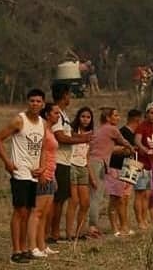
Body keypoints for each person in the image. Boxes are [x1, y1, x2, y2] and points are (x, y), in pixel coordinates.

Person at [0, 88, 46, 265]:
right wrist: (7, 162)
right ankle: (16, 250)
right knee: (19, 211)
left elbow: (43, 147)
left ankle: (24, 248)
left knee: (28, 212)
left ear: (43, 103)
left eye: (38, 101)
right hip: (20, 172)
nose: (35, 104)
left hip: (34, 174)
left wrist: (42, 166)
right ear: (27, 102)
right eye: (32, 101)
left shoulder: (43, 124)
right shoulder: (19, 120)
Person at [48, 83, 91, 243]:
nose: (70, 98)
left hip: (65, 162)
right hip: (58, 161)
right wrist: (80, 139)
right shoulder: (56, 113)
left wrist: (83, 137)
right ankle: (52, 233)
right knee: (57, 200)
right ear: (64, 95)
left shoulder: (64, 115)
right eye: (69, 95)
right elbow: (60, 137)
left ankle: (55, 232)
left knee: (61, 200)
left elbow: (69, 134)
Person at [88, 107, 134, 237]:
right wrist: (131, 148)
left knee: (97, 196)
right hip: (99, 163)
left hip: (97, 162)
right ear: (108, 118)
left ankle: (93, 226)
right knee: (96, 196)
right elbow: (123, 141)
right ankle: (92, 227)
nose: (118, 118)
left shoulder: (100, 130)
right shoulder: (112, 129)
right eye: (115, 115)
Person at [26, 103, 60, 258]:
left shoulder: (50, 129)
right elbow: (40, 151)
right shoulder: (42, 129)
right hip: (43, 173)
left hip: (51, 173)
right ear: (47, 114)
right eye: (55, 113)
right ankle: (32, 246)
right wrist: (42, 172)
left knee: (45, 213)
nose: (58, 115)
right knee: (37, 212)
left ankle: (42, 245)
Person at [105, 109, 141, 237]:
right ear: (137, 119)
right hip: (118, 166)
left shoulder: (136, 134)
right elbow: (109, 149)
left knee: (125, 198)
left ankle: (124, 225)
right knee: (116, 198)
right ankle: (115, 227)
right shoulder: (121, 132)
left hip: (132, 166)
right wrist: (125, 150)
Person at [65, 107, 96, 240]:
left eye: (88, 117)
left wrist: (92, 177)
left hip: (83, 167)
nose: (85, 119)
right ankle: (69, 233)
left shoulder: (91, 135)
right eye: (83, 116)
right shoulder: (72, 131)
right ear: (78, 117)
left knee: (85, 202)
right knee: (74, 200)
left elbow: (87, 158)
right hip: (71, 165)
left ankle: (80, 232)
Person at [134, 101, 153, 229]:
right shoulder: (142, 126)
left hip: (149, 166)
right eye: (151, 113)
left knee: (147, 195)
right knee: (139, 193)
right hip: (139, 164)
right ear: (147, 113)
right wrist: (144, 150)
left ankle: (144, 219)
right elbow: (137, 141)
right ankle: (139, 220)